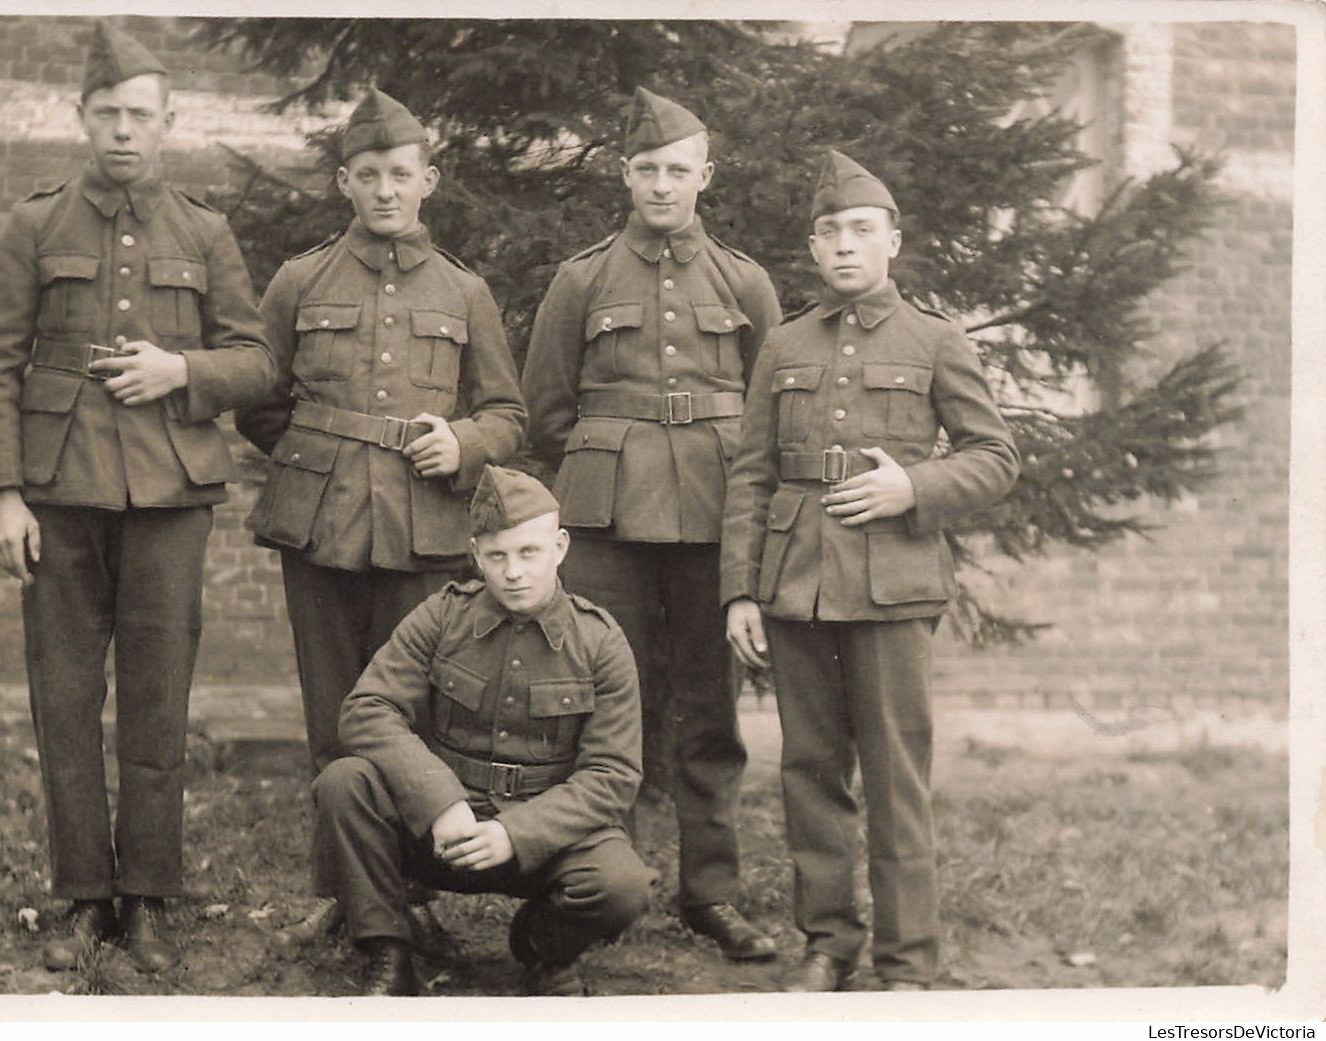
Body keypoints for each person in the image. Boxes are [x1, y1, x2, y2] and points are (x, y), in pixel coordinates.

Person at [0, 20, 277, 974]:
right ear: (82, 118)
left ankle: (146, 896)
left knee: (156, 699)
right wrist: (1, 494)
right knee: (63, 697)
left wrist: (181, 367)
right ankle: (81, 898)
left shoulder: (205, 231)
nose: (124, 132)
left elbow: (258, 361)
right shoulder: (35, 225)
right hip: (58, 494)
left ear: (166, 121)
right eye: (107, 115)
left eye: (141, 116)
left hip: (171, 497)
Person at [721, 150, 1020, 991]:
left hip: (892, 588)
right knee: (810, 774)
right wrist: (740, 590)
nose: (844, 246)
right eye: (828, 233)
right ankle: (828, 941)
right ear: (813, 250)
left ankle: (907, 961)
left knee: (895, 780)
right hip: (795, 586)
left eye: (860, 230)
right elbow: (750, 474)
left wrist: (910, 486)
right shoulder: (782, 343)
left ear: (892, 239)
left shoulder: (935, 339)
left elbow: (995, 457)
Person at [521, 86, 782, 962]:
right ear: (621, 173)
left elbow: (768, 411)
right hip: (606, 527)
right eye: (646, 170)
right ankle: (606, 880)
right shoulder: (582, 277)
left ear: (705, 176)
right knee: (603, 708)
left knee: (709, 713)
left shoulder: (744, 280)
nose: (662, 185)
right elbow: (547, 411)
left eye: (678, 170)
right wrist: (618, 464)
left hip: (711, 522)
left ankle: (711, 892)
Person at [236, 88, 526, 776]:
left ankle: (414, 869)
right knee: (330, 705)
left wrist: (463, 445)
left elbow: (508, 415)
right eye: (367, 175)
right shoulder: (298, 279)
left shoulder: (463, 292)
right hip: (318, 524)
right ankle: (347, 871)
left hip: (423, 521)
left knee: (414, 702)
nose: (385, 191)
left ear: (427, 180)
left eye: (400, 174)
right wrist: (318, 460)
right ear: (344, 183)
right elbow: (257, 398)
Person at [313, 466, 654, 996]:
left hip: (547, 836)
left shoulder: (601, 642)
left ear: (559, 547)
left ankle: (542, 950)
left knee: (621, 884)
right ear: (476, 554)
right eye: (497, 556)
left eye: (528, 553)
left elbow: (611, 775)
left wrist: (517, 834)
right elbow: (367, 707)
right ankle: (389, 952)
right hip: (445, 828)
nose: (513, 572)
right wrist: (439, 800)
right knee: (345, 783)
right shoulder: (442, 616)